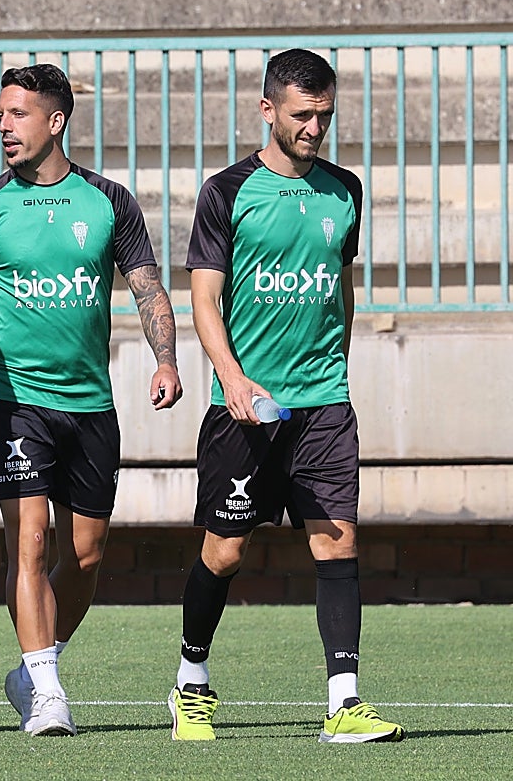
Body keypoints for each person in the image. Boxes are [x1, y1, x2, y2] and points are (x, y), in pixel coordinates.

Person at [0, 64, 182, 736]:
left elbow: (148, 288)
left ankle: (33, 667)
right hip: (12, 399)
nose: (5, 127)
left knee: (90, 553)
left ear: (56, 121)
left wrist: (165, 360)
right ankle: (47, 694)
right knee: (31, 543)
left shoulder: (109, 201)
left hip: (90, 404)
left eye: (18, 114)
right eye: (0, 115)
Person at [168, 48, 405, 743]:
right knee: (225, 553)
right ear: (267, 109)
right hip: (244, 409)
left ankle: (344, 703)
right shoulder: (227, 191)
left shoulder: (344, 190)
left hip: (324, 404)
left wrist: (336, 364)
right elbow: (204, 299)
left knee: (337, 543)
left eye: (324, 115)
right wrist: (233, 379)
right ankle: (191, 680)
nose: (314, 128)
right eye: (301, 115)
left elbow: (342, 284)